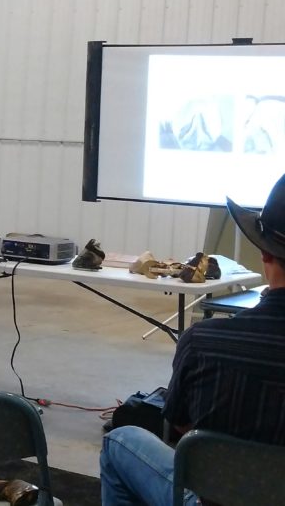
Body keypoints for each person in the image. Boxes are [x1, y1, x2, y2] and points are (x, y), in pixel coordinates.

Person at [100, 172, 285, 506]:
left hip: (217, 498)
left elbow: (180, 426)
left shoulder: (202, 343)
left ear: (265, 255)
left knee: (120, 441)